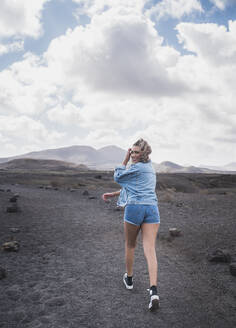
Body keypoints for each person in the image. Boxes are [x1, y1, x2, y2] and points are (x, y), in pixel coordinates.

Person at [102, 138, 160, 311]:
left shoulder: (134, 166)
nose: (134, 155)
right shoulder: (150, 169)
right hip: (152, 209)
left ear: (144, 153)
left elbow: (118, 176)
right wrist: (113, 194)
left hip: (135, 208)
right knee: (150, 250)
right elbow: (133, 186)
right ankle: (154, 292)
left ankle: (129, 279)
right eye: (132, 152)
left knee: (130, 245)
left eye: (136, 152)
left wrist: (125, 159)